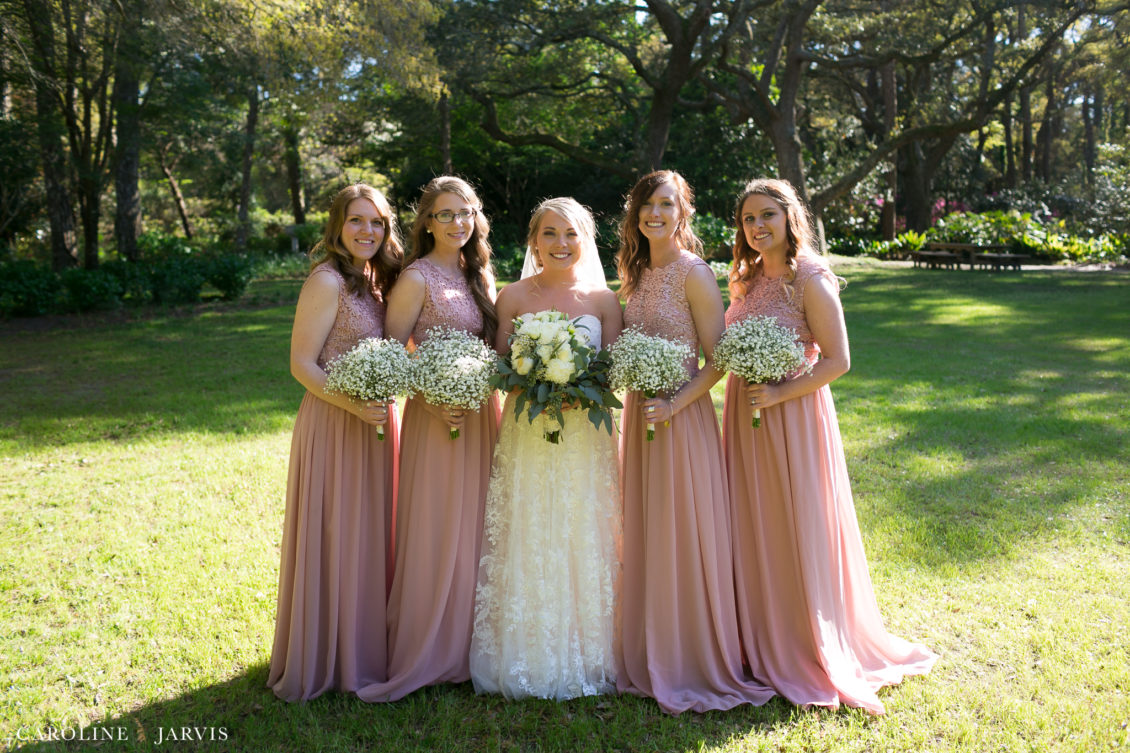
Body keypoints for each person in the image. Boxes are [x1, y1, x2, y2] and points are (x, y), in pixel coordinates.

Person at [723, 178, 937, 714]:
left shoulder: (811, 278)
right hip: (744, 415)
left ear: (789, 217)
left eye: (767, 215)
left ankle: (804, 639)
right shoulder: (745, 278)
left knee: (798, 522)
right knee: (753, 519)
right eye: (749, 218)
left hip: (793, 414)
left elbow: (838, 360)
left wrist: (779, 393)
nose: (757, 226)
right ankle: (760, 632)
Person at [615, 170, 775, 714]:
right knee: (646, 526)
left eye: (666, 204)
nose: (655, 213)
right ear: (636, 214)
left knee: (681, 528)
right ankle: (649, 643)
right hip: (641, 414)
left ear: (683, 212)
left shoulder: (694, 272)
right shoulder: (636, 272)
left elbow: (718, 360)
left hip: (681, 418)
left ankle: (690, 654)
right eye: (647, 205)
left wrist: (674, 404)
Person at [469, 197, 623, 700]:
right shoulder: (513, 296)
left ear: (586, 240)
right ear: (533, 241)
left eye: (571, 233)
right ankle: (527, 652)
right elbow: (500, 367)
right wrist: (536, 380)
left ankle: (593, 652)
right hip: (528, 431)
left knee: (583, 527)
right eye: (550, 233)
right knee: (531, 525)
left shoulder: (604, 300)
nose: (561, 243)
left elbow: (613, 369)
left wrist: (580, 389)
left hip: (585, 435)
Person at [358, 176, 501, 703]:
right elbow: (390, 355)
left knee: (479, 525)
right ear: (427, 222)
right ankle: (430, 646)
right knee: (439, 526)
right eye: (446, 214)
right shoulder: (416, 277)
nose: (457, 223)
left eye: (465, 212)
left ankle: (472, 645)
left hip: (481, 415)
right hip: (436, 418)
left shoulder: (479, 271)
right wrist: (435, 396)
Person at [268, 183, 402, 701]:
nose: (368, 231)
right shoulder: (326, 280)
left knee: (372, 533)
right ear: (337, 226)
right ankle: (330, 655)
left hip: (376, 423)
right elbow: (301, 364)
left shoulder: (375, 280)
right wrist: (353, 405)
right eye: (356, 220)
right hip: (335, 421)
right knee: (338, 532)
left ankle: (367, 647)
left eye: (377, 222)